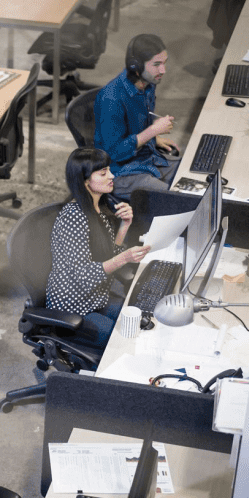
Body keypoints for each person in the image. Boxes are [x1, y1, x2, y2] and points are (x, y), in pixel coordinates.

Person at [46, 148, 151, 346]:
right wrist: (124, 258)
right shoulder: (73, 218)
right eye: (103, 173)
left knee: (139, 320)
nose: (112, 176)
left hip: (96, 297)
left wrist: (125, 225)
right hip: (72, 307)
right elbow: (84, 276)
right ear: (85, 181)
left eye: (109, 170)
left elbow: (109, 255)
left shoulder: (98, 209)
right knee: (123, 339)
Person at [94, 34, 181, 199]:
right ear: (136, 66)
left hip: (146, 159)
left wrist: (153, 139)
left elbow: (136, 127)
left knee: (191, 173)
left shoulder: (148, 84)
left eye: (164, 63)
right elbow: (114, 153)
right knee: (176, 200)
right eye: (156, 65)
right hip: (119, 173)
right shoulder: (111, 99)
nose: (163, 70)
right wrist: (153, 131)